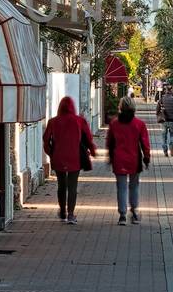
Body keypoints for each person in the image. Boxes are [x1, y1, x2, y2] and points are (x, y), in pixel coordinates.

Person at [42, 95, 95, 225]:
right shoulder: (79, 120)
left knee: (61, 185)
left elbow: (46, 139)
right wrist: (92, 151)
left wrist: (51, 153)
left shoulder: (53, 121)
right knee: (72, 186)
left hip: (58, 157)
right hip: (74, 157)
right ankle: (71, 214)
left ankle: (62, 210)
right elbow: (88, 138)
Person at [107, 97, 151, 225]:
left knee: (121, 187)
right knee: (134, 186)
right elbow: (145, 143)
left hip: (119, 159)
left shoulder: (114, 123)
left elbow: (110, 142)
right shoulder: (139, 124)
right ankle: (134, 212)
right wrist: (146, 157)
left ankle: (122, 215)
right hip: (134, 159)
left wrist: (110, 157)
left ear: (120, 107)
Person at [157, 87, 173, 157]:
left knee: (163, 136)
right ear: (171, 91)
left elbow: (157, 110)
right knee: (172, 135)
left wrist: (159, 116)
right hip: (172, 120)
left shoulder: (161, 99)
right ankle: (171, 148)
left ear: (165, 91)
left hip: (164, 121)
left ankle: (165, 150)